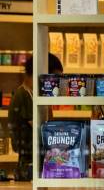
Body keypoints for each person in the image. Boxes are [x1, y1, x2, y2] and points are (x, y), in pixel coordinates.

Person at [8, 53, 63, 181]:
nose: (57, 84)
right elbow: (46, 134)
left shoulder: (36, 96)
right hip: (29, 168)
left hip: (36, 165)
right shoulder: (24, 95)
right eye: (55, 78)